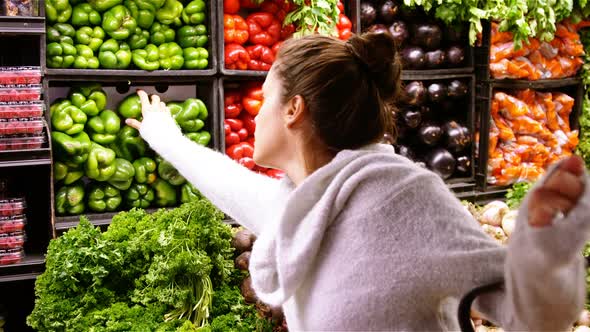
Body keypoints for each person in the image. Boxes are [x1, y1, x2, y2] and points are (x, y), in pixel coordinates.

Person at [126, 32, 590, 331]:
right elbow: (238, 189)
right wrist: (167, 140)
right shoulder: (309, 204)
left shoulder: (407, 203)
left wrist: (543, 251)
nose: (260, 109)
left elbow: (534, 314)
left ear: (294, 109)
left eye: (266, 98)